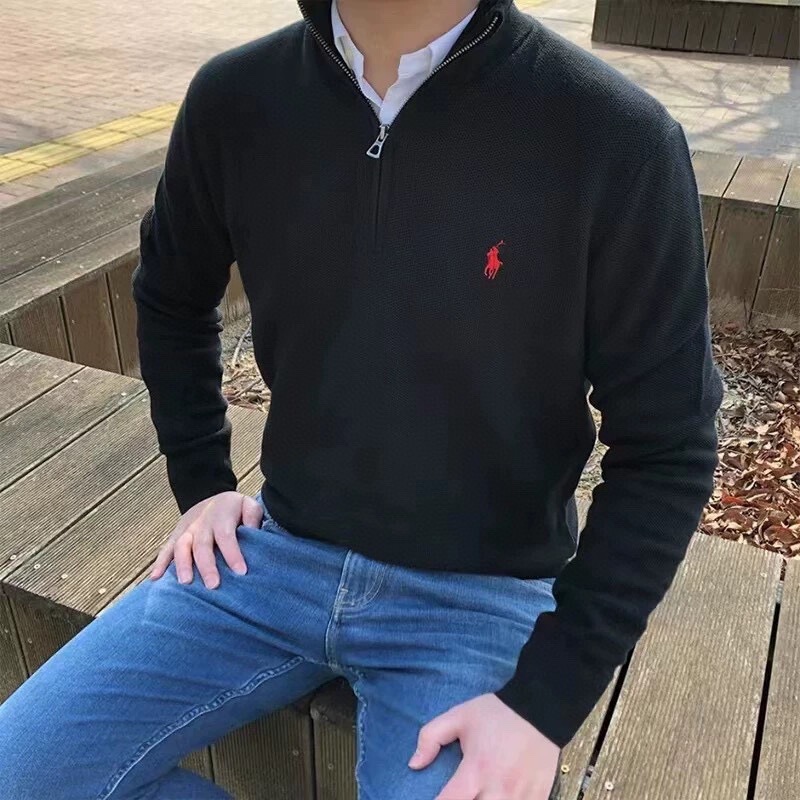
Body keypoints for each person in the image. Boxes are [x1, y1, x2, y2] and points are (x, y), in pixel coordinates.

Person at [0, 0, 723, 798]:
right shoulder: (236, 98)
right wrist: (202, 482)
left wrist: (545, 703)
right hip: (273, 554)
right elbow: (170, 295)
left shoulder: (613, 136)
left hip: (480, 595)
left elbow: (669, 445)